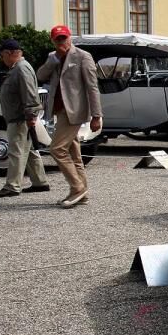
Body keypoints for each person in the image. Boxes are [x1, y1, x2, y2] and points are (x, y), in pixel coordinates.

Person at [37, 24, 102, 209]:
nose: (61, 42)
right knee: (75, 155)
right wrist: (53, 60)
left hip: (74, 111)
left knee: (56, 149)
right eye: (58, 39)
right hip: (59, 111)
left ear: (70, 37)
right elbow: (40, 75)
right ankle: (83, 192)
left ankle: (77, 188)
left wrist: (96, 115)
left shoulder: (82, 56)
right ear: (53, 40)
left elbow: (92, 87)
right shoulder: (53, 58)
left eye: (64, 38)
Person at [0, 38, 49, 198]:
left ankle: (13, 186)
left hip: (20, 118)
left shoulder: (21, 69)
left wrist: (30, 114)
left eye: (3, 55)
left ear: (9, 54)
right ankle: (40, 181)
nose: (2, 59)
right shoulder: (20, 68)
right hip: (21, 116)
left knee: (16, 151)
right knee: (29, 151)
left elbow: (29, 93)